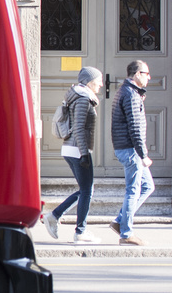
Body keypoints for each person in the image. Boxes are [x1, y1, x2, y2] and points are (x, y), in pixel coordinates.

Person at [41, 66, 103, 245]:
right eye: (98, 80)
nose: (100, 84)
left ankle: (55, 216)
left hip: (71, 148)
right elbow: (78, 128)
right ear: (90, 82)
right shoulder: (83, 98)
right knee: (87, 190)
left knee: (85, 190)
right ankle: (79, 231)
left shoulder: (78, 96)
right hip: (77, 149)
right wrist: (84, 154)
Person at [110, 59, 154, 246]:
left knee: (147, 186)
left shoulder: (128, 92)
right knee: (133, 190)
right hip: (130, 150)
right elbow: (135, 128)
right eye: (146, 73)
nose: (149, 77)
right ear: (137, 74)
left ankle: (120, 222)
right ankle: (126, 233)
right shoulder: (130, 94)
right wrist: (143, 154)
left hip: (127, 148)